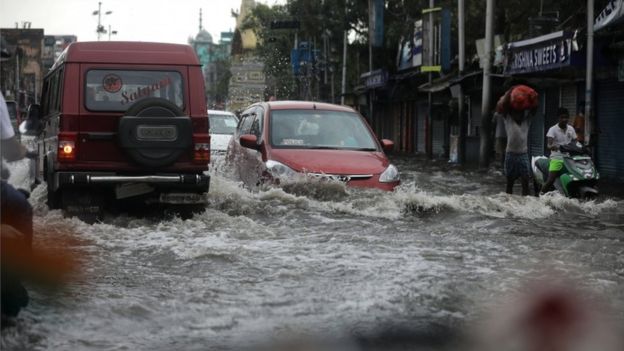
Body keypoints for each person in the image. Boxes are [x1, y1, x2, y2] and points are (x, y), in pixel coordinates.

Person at [540, 107, 577, 195]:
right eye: (562, 117)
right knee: (551, 180)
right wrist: (552, 146)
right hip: (556, 158)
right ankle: (540, 195)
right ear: (558, 118)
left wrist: (582, 147)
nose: (564, 119)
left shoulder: (571, 129)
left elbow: (576, 142)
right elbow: (548, 145)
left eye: (566, 117)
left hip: (569, 158)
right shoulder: (552, 129)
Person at [502, 108, 534, 195]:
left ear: (523, 114)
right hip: (510, 155)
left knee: (525, 181)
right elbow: (504, 108)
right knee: (510, 183)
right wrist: (509, 93)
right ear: (512, 114)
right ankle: (509, 204)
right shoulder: (508, 120)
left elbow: (534, 110)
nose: (518, 115)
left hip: (523, 155)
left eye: (520, 113)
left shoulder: (526, 122)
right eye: (516, 113)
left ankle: (525, 204)